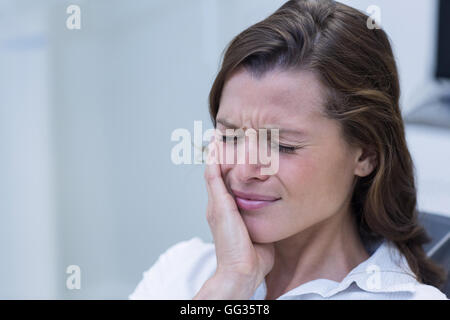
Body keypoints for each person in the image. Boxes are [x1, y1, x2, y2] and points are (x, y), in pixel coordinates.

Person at [129, 0, 447, 299]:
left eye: (283, 145)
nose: (242, 170)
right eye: (229, 137)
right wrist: (231, 283)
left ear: (365, 155)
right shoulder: (181, 271)